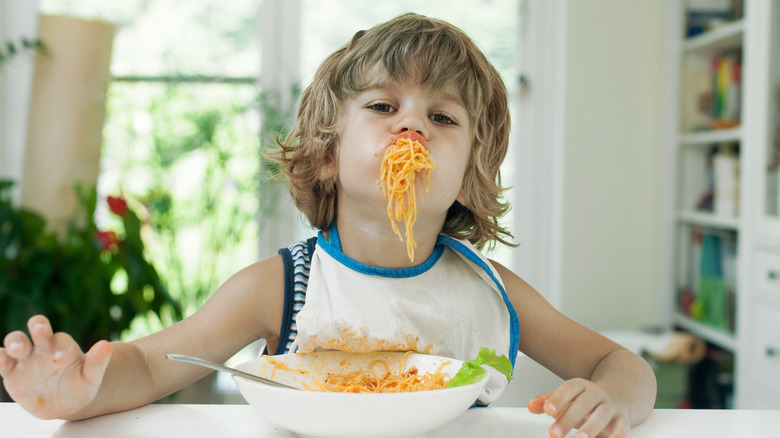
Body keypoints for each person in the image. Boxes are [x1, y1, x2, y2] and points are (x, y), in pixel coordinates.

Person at [0, 13, 656, 438]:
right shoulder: (280, 287)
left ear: (472, 169)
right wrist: (75, 393)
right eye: (383, 105)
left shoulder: (492, 291)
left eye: (444, 118)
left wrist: (615, 402)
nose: (413, 127)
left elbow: (618, 363)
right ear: (326, 151)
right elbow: (149, 365)